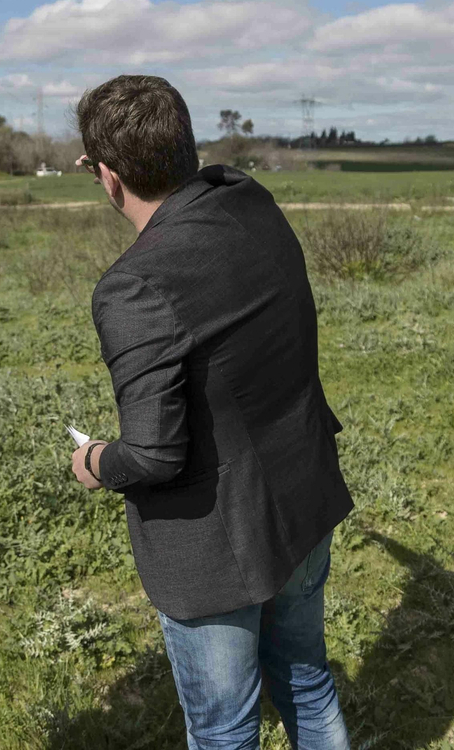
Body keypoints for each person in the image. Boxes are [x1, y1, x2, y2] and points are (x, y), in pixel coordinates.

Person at [69, 75, 355, 750]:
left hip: (217, 547)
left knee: (225, 729)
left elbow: (152, 454)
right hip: (303, 495)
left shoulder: (134, 284)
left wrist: (91, 462)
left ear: (107, 178)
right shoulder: (251, 201)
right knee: (307, 683)